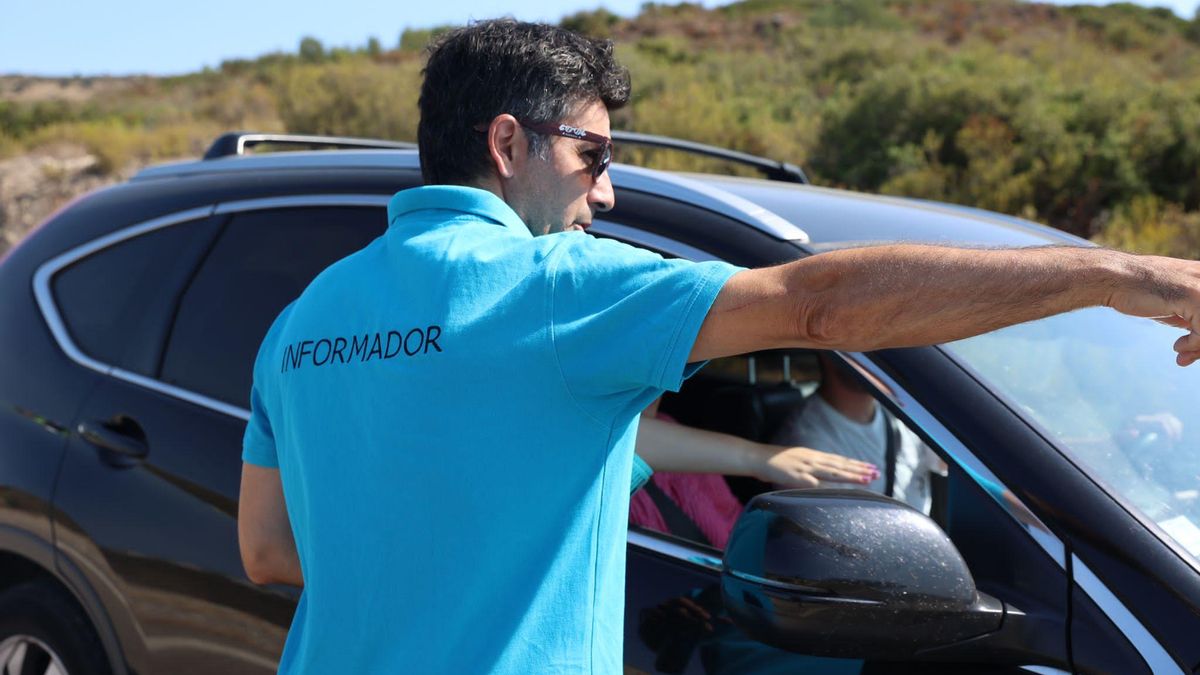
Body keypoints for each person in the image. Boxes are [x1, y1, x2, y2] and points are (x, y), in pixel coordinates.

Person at [236, 19, 1200, 674]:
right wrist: (1111, 277)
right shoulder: (559, 290)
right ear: (505, 143)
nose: (604, 193)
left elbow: (270, 551)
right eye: (594, 155)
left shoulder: (301, 321)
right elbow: (818, 308)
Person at [630, 397, 878, 549]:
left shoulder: (668, 424)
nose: (656, 383)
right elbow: (616, 440)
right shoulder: (598, 454)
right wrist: (760, 458)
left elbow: (733, 518)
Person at [772, 353, 945, 513]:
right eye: (863, 349)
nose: (877, 356)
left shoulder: (904, 413)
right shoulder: (805, 443)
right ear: (829, 354)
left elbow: (949, 461)